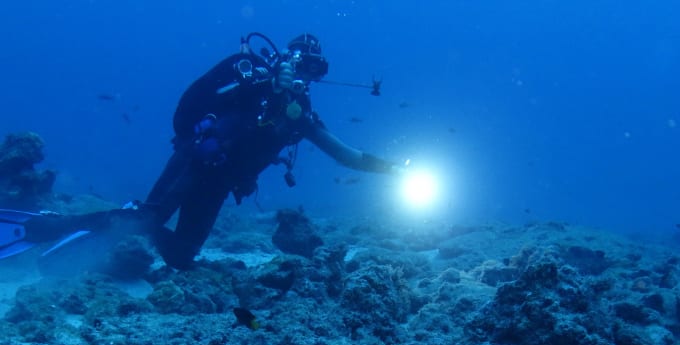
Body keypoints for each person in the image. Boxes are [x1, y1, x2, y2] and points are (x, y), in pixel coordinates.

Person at [0, 32, 401, 268]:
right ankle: (42, 227)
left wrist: (397, 170)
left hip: (220, 184)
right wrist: (263, 86)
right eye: (303, 67)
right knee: (145, 220)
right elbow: (195, 101)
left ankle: (118, 224)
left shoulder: (300, 116)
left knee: (181, 257)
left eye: (316, 71)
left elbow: (347, 157)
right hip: (194, 162)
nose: (307, 77)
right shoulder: (251, 79)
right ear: (287, 61)